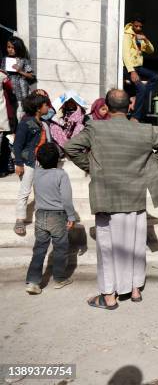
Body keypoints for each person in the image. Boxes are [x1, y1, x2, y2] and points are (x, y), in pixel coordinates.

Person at [64, 89, 158, 309]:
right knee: (134, 246)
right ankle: (135, 290)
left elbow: (70, 147)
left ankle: (109, 296)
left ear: (108, 105)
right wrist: (145, 168)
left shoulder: (95, 127)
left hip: (107, 196)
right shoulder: (145, 130)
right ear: (129, 106)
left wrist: (94, 168)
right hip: (135, 197)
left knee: (108, 249)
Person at [24, 143, 76, 295]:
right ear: (58, 159)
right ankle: (59, 279)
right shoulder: (61, 174)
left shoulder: (37, 173)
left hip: (40, 215)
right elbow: (66, 199)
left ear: (38, 159)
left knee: (39, 249)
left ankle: (33, 282)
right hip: (57, 216)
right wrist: (71, 215)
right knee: (60, 248)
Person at [13, 92, 49, 236]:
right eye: (46, 105)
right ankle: (20, 220)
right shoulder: (25, 123)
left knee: (41, 191)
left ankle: (42, 218)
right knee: (25, 191)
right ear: (38, 108)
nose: (48, 107)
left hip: (40, 162)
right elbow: (17, 145)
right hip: (28, 162)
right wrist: (19, 163)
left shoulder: (41, 123)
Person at [122, 16, 157, 121]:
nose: (137, 28)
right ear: (132, 23)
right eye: (136, 25)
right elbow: (125, 55)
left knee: (155, 77)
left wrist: (145, 39)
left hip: (139, 67)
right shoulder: (127, 35)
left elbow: (151, 50)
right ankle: (135, 117)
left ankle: (136, 98)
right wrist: (132, 71)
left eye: (140, 26)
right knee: (141, 88)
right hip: (128, 67)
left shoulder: (139, 36)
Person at [2, 36, 35, 120]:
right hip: (8, 93)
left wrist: (20, 71)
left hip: (21, 94)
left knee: (20, 115)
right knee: (8, 116)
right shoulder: (5, 60)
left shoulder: (23, 60)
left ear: (18, 48)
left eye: (13, 48)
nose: (10, 49)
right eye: (8, 47)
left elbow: (31, 76)